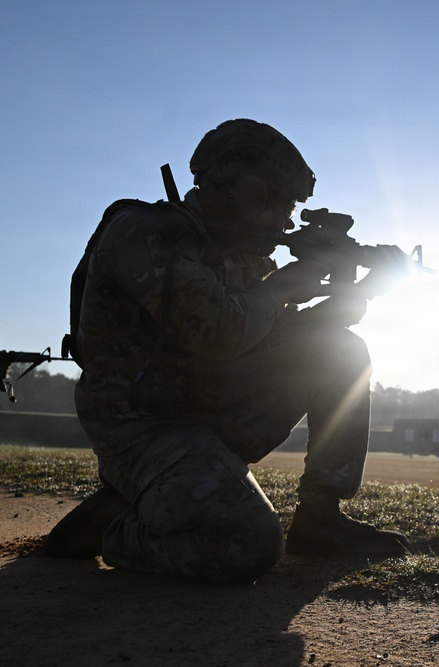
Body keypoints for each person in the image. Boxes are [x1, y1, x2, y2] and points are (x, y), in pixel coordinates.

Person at [45, 119, 413, 584]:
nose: (285, 222)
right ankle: (116, 530)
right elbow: (217, 332)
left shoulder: (245, 256)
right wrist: (282, 286)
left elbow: (277, 337)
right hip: (141, 427)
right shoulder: (145, 233)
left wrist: (360, 294)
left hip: (206, 406)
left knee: (340, 351)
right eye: (281, 205)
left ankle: (320, 516)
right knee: (248, 540)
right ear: (246, 190)